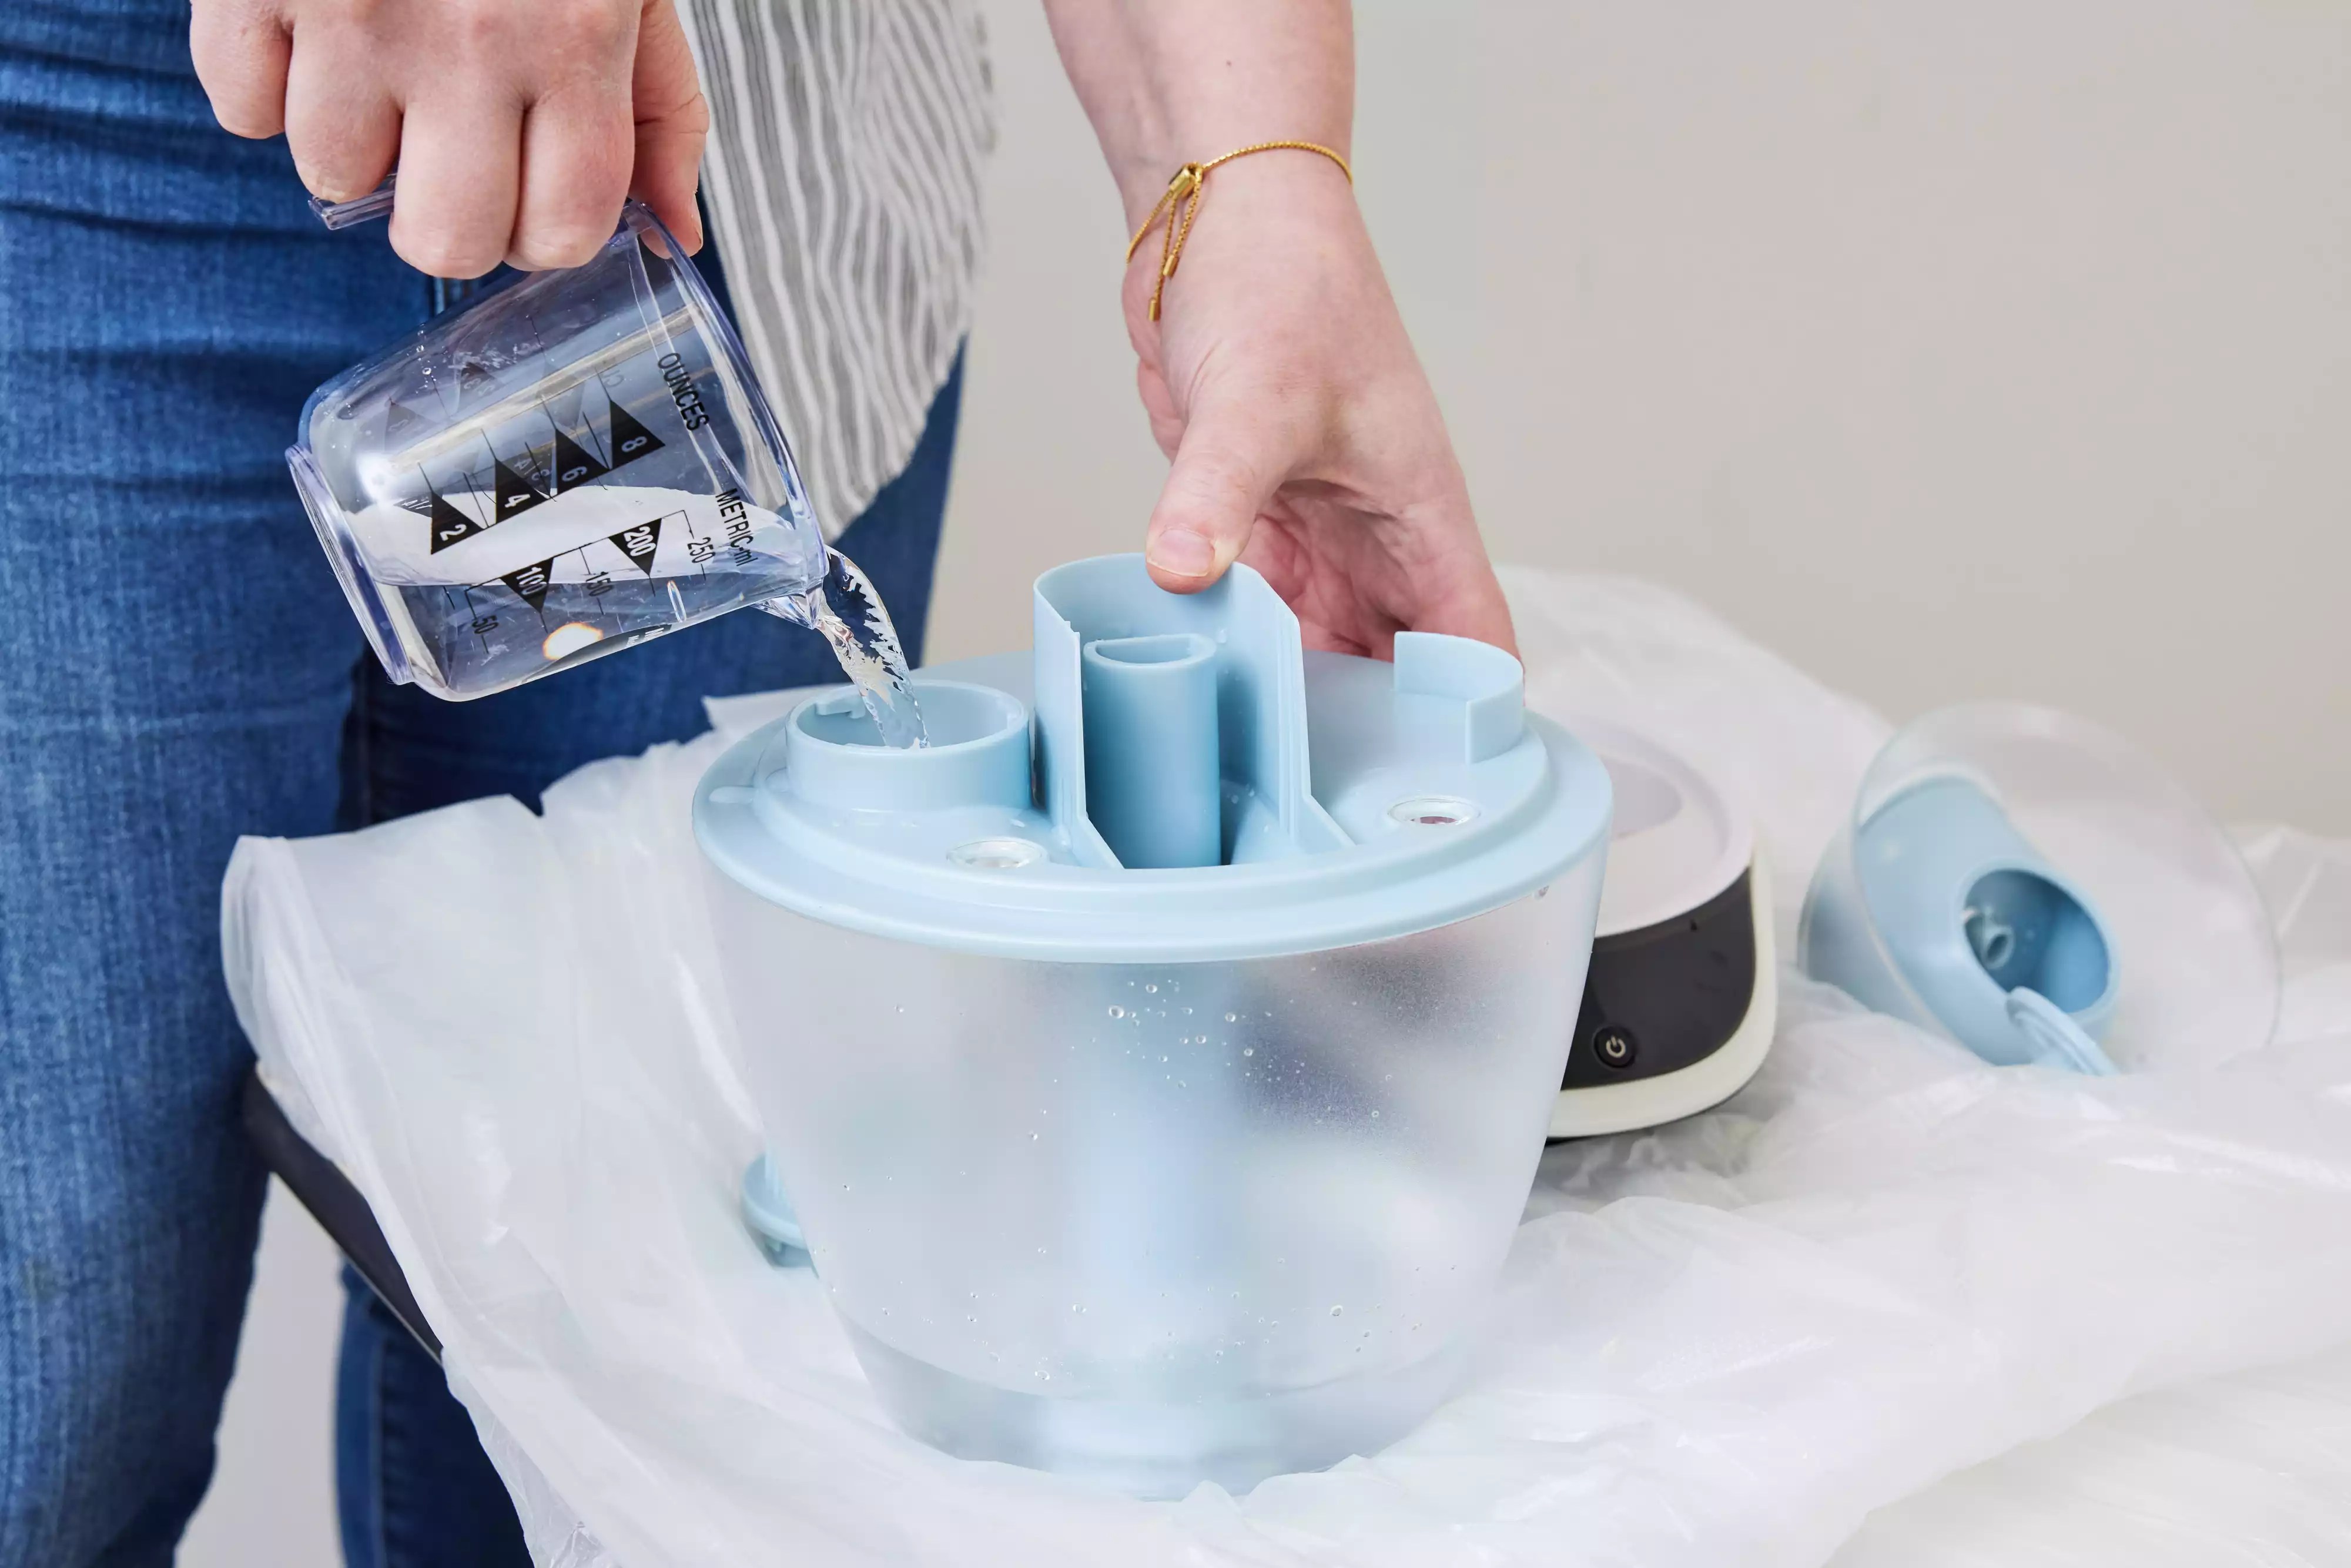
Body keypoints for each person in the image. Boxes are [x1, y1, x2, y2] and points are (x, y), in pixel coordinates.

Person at [0, 1, 1508, 1563]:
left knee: (628, 1365)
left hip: (734, 160)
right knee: (47, 1416)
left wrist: (1251, 176)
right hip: (65, 132)